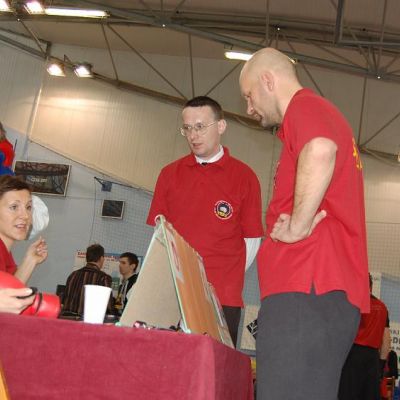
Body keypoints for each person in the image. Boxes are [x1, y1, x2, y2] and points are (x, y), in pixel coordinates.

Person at [239, 47, 370, 399]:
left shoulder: (305, 108)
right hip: (313, 294)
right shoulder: (312, 117)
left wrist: (298, 225)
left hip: (306, 288)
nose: (249, 108)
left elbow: (321, 149)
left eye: (249, 95)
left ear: (268, 80)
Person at [147, 96, 264, 346]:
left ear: (221, 126)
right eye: (187, 128)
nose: (193, 135)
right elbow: (160, 235)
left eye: (200, 127)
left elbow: (252, 239)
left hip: (223, 297)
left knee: (215, 366)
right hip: (174, 295)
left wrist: (226, 274)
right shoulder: (169, 175)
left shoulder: (245, 177)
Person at [0, 175, 48, 313]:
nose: (26, 216)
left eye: (28, 207)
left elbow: (9, 296)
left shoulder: (5, 253)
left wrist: (30, 261)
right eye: (14, 207)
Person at [338, 274, 390, 400]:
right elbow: (386, 341)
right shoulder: (382, 307)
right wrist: (381, 365)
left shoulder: (353, 305)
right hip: (372, 359)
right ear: (371, 286)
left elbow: (342, 334)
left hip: (353, 356)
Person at [62, 244, 113, 318]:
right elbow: (108, 305)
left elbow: (64, 299)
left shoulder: (73, 275)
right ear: (101, 258)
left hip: (67, 319)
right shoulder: (103, 278)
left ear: (86, 258)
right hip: (87, 321)